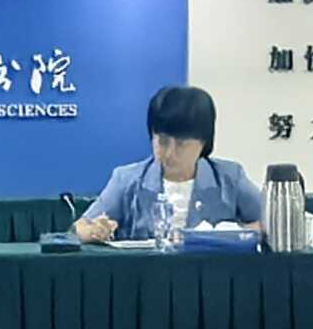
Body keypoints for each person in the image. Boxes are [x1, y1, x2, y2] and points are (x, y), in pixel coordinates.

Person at [77, 84, 266, 243]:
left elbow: (271, 222)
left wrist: (231, 234)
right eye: (163, 141)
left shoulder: (230, 178)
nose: (169, 153)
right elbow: (80, 227)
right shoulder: (127, 179)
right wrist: (95, 231)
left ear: (203, 142)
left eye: (181, 144)